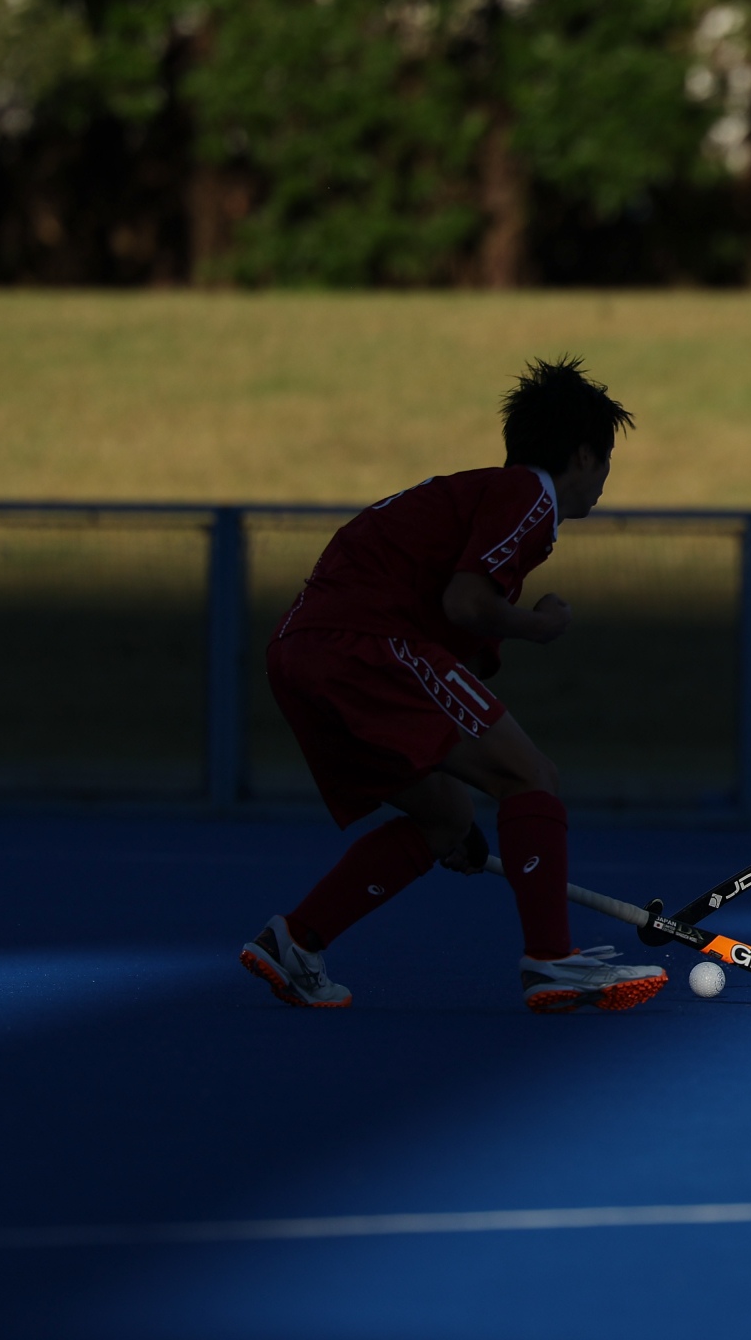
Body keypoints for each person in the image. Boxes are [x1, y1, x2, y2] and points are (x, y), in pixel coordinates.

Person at [239, 357, 665, 1014]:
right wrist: (541, 625)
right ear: (583, 455)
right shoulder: (528, 494)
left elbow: (454, 638)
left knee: (445, 818)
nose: (605, 481)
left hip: (299, 655)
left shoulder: (478, 497)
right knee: (530, 776)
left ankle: (295, 941)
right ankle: (552, 960)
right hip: (363, 646)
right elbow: (466, 604)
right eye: (606, 463)